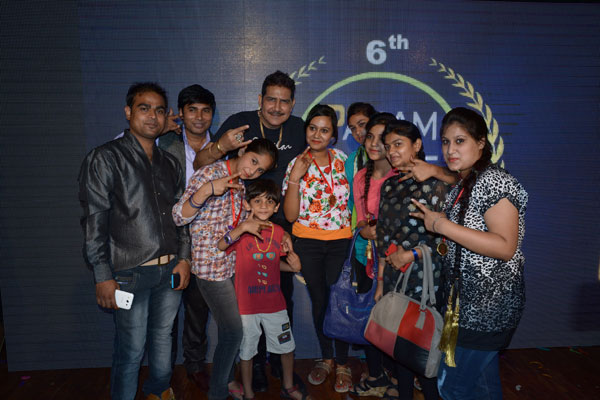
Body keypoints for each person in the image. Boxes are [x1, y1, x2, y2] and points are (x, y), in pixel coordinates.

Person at [193, 70, 305, 391]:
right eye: (271, 99)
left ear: (292, 104)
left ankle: (277, 362)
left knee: (281, 296)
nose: (277, 107)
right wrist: (220, 146)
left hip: (279, 226)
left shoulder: (298, 128)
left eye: (284, 102)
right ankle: (253, 365)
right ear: (260, 99)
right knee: (246, 302)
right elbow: (201, 163)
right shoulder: (240, 123)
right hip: (242, 225)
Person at [78, 82, 191, 400]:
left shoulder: (170, 163)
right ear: (128, 112)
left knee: (163, 338)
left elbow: (181, 216)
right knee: (131, 350)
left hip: (170, 270)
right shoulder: (105, 158)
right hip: (129, 273)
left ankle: (159, 391)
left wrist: (185, 258)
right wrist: (103, 275)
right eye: (144, 108)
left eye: (159, 110)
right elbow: (94, 222)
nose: (153, 116)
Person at [411, 107, 528, 400]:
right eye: (446, 141)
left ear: (481, 143)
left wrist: (441, 225)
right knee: (483, 387)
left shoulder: (494, 181)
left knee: (451, 388)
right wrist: (443, 223)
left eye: (460, 141)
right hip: (464, 307)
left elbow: (505, 247)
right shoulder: (466, 181)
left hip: (488, 309)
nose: (450, 149)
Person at [172, 138, 278, 400]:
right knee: (233, 331)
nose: (253, 171)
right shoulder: (210, 173)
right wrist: (207, 190)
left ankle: (228, 380)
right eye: (253, 161)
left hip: (230, 265)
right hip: (210, 269)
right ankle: (218, 392)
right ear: (242, 150)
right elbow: (178, 216)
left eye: (260, 170)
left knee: (229, 328)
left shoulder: (241, 185)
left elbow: (233, 229)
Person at [374, 120, 449, 400]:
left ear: (417, 145)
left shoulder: (437, 184)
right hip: (395, 274)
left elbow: (448, 241)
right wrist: (381, 281)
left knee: (425, 348)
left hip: (426, 277)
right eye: (388, 146)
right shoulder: (389, 185)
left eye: (398, 144)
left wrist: (413, 253)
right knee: (400, 346)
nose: (391, 151)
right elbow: (383, 236)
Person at [217, 179, 311, 400]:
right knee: (247, 351)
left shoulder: (279, 233)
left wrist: (293, 267)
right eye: (257, 201)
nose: (263, 206)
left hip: (274, 304)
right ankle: (249, 392)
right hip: (246, 306)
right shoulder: (240, 230)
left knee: (286, 347)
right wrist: (242, 228)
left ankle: (288, 386)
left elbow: (274, 263)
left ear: (277, 207)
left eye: (269, 202)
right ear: (247, 204)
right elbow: (221, 245)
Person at [282, 104, 353, 393]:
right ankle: (326, 358)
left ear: (333, 135)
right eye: (313, 128)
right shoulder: (296, 163)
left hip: (341, 242)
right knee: (320, 302)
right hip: (308, 243)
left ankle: (343, 363)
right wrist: (296, 177)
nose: (317, 135)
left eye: (324, 130)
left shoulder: (343, 160)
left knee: (340, 302)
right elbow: (289, 215)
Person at [158, 84, 216, 391]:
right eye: (192, 110)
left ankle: (195, 364)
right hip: (168, 241)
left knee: (198, 311)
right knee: (166, 314)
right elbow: (122, 144)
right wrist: (159, 128)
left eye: (206, 111)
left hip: (205, 245)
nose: (199, 117)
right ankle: (163, 370)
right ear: (180, 113)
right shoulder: (163, 143)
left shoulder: (221, 148)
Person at [346, 112, 397, 398]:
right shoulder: (360, 176)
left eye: (382, 138)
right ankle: (376, 375)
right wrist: (364, 228)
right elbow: (362, 217)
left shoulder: (402, 175)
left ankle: (399, 378)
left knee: (396, 321)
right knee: (370, 318)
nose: (374, 143)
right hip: (366, 259)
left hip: (397, 263)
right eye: (370, 137)